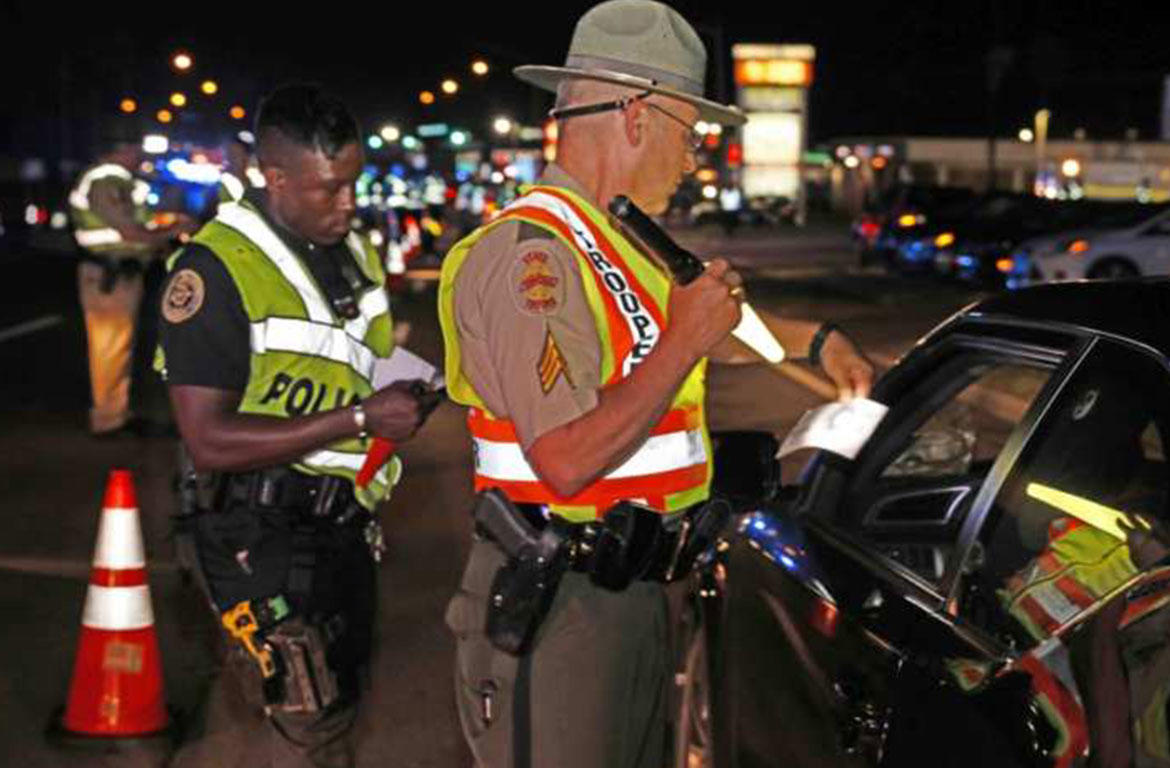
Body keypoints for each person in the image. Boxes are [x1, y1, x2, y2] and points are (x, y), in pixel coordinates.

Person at [438, 3, 874, 766]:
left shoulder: (615, 238)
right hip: (559, 607)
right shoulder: (532, 256)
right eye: (691, 133)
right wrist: (682, 343)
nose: (695, 158)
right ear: (637, 116)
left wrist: (818, 341)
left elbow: (707, 326)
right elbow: (565, 458)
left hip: (630, 594)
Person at [158, 84, 436, 767]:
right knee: (309, 730)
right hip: (258, 536)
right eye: (328, 188)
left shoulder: (353, 252)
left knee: (341, 712)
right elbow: (208, 439)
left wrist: (404, 395)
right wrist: (361, 416)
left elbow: (359, 363)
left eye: (354, 182)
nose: (348, 203)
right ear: (274, 176)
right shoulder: (214, 270)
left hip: (343, 527)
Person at [69, 131, 191, 436]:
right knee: (109, 347)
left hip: (119, 273)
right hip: (109, 276)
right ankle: (108, 419)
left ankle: (116, 413)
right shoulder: (106, 180)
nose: (141, 156)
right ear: (120, 150)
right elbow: (130, 231)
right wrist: (175, 230)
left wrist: (161, 234)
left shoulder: (122, 181)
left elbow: (137, 226)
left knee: (116, 347)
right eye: (136, 149)